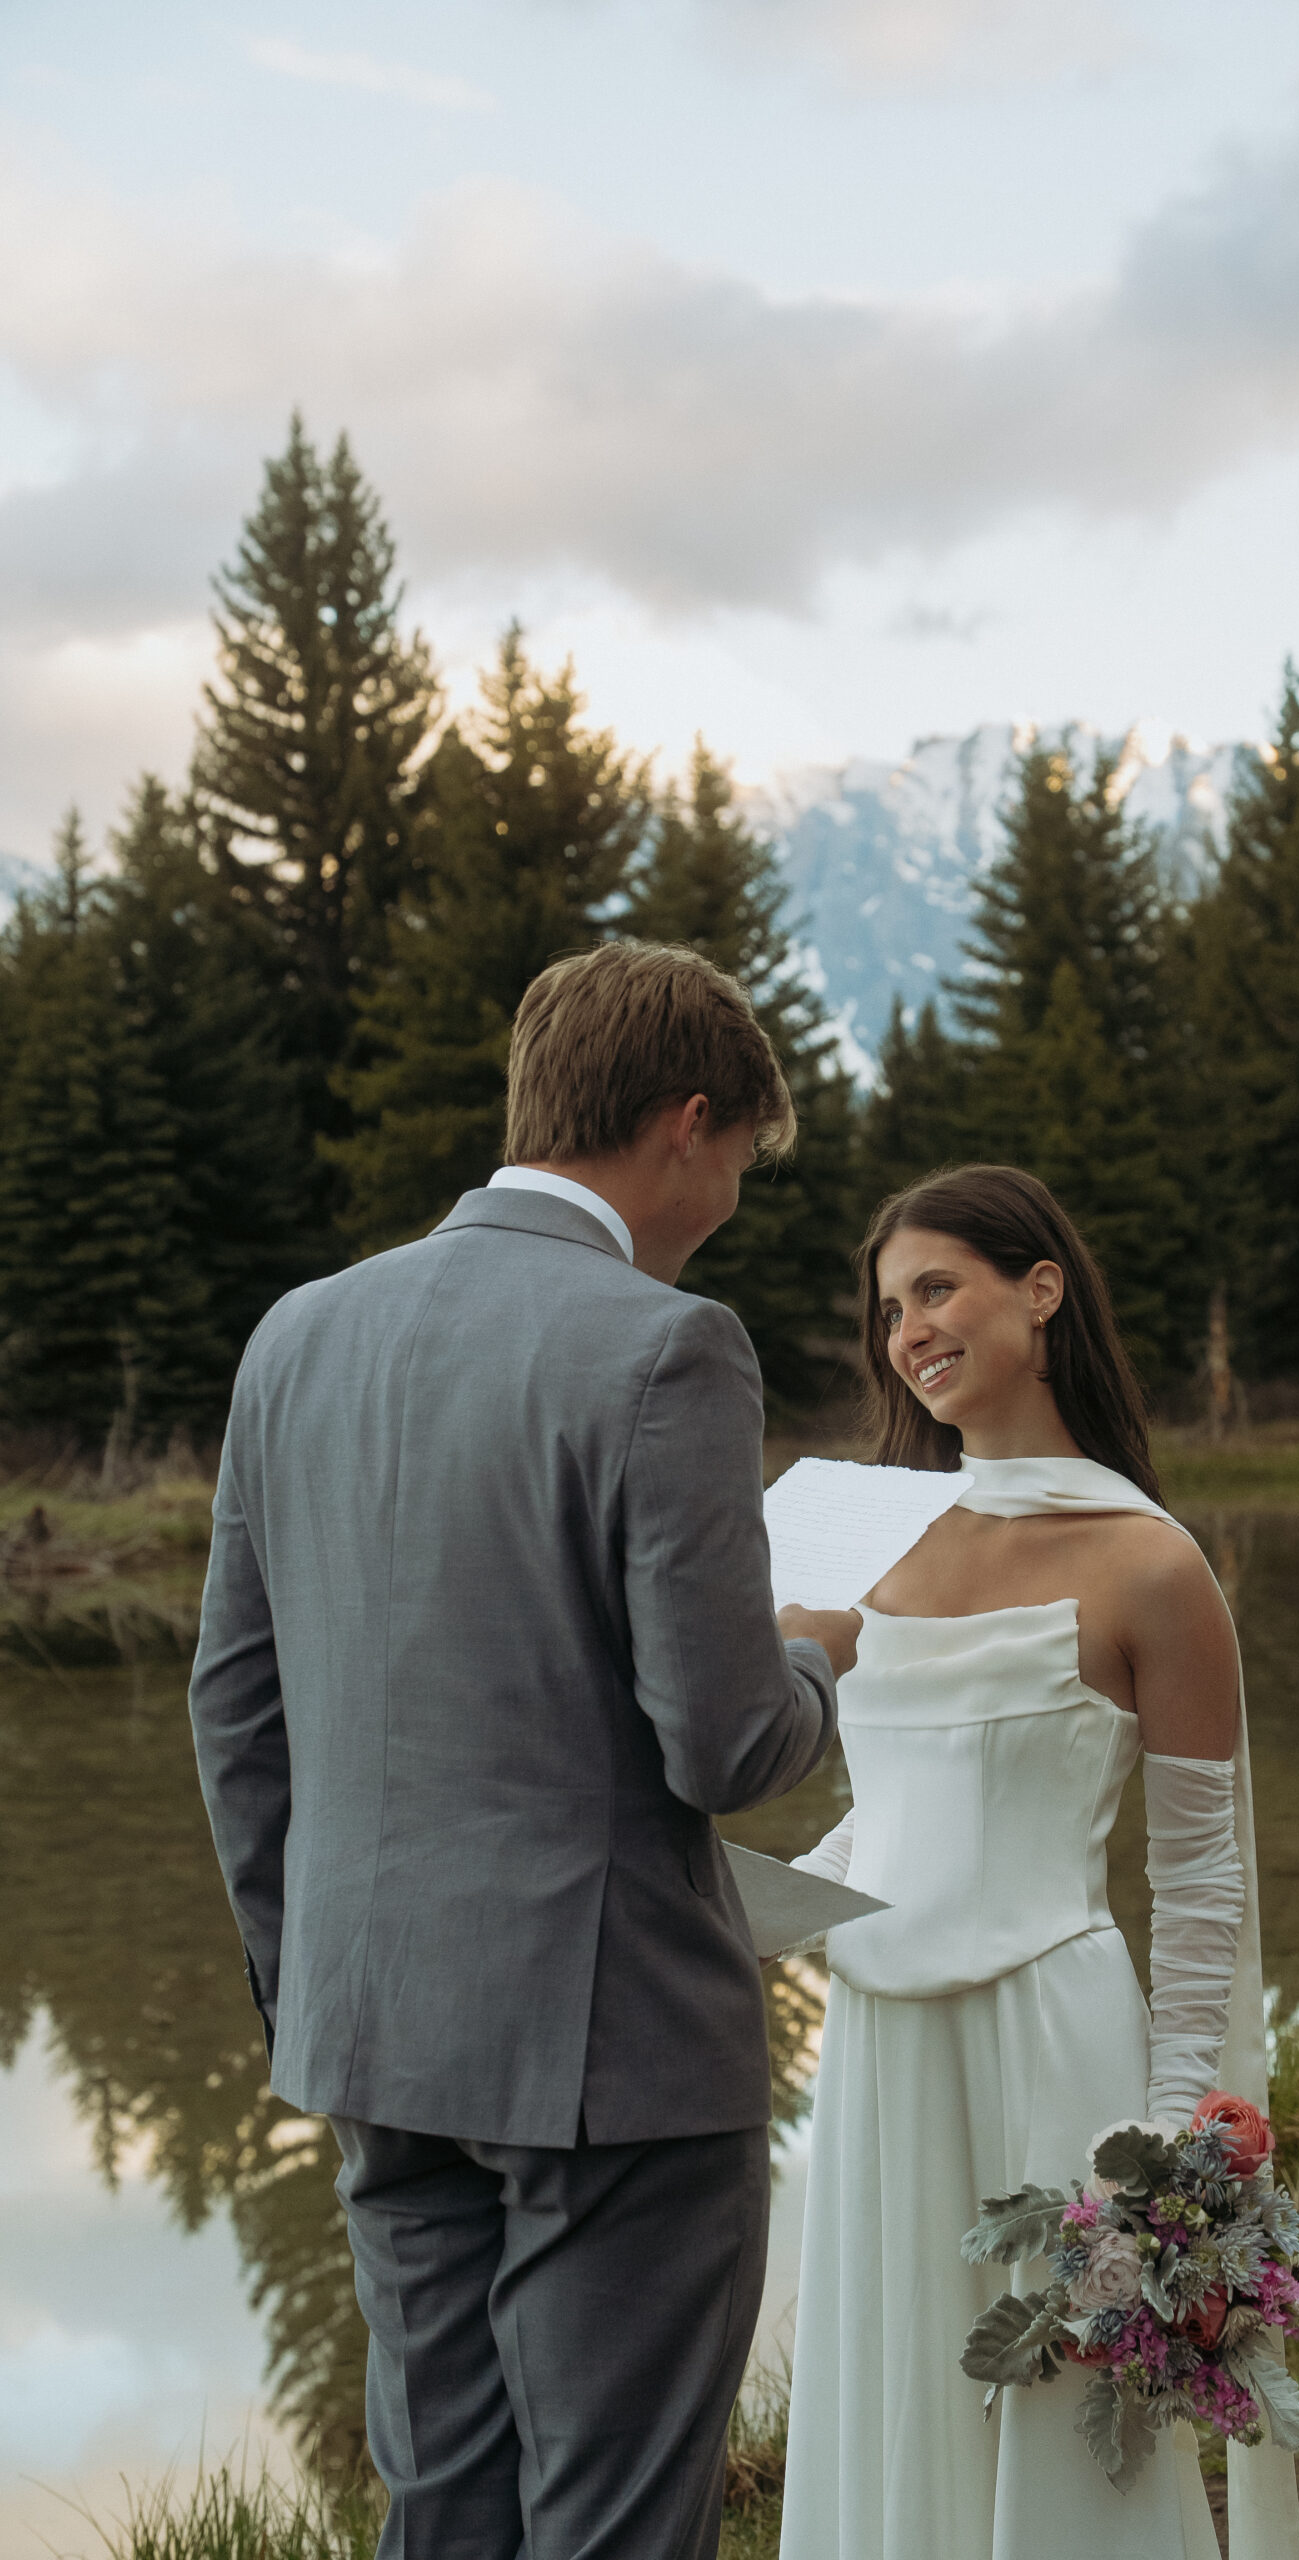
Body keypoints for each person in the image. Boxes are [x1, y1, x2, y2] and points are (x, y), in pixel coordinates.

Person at [189, 940, 860, 2560]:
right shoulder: (665, 1347)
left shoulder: (299, 1334)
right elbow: (724, 1745)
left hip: (373, 2035)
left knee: (450, 2512)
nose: (733, 1204)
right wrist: (820, 1659)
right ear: (687, 1124)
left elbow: (236, 1706)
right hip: (610, 2051)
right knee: (617, 2521)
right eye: (745, 1165)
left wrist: (313, 1988)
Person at [779, 1164, 1299, 2560]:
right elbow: (778, 1757)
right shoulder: (845, 1528)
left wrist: (1177, 2154)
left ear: (1042, 1290)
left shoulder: (1153, 1566)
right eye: (891, 1308)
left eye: (936, 1288)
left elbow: (1200, 1890)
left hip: (1053, 2050)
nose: (909, 1332)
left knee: (1075, 2426)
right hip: (881, 2049)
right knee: (897, 2405)